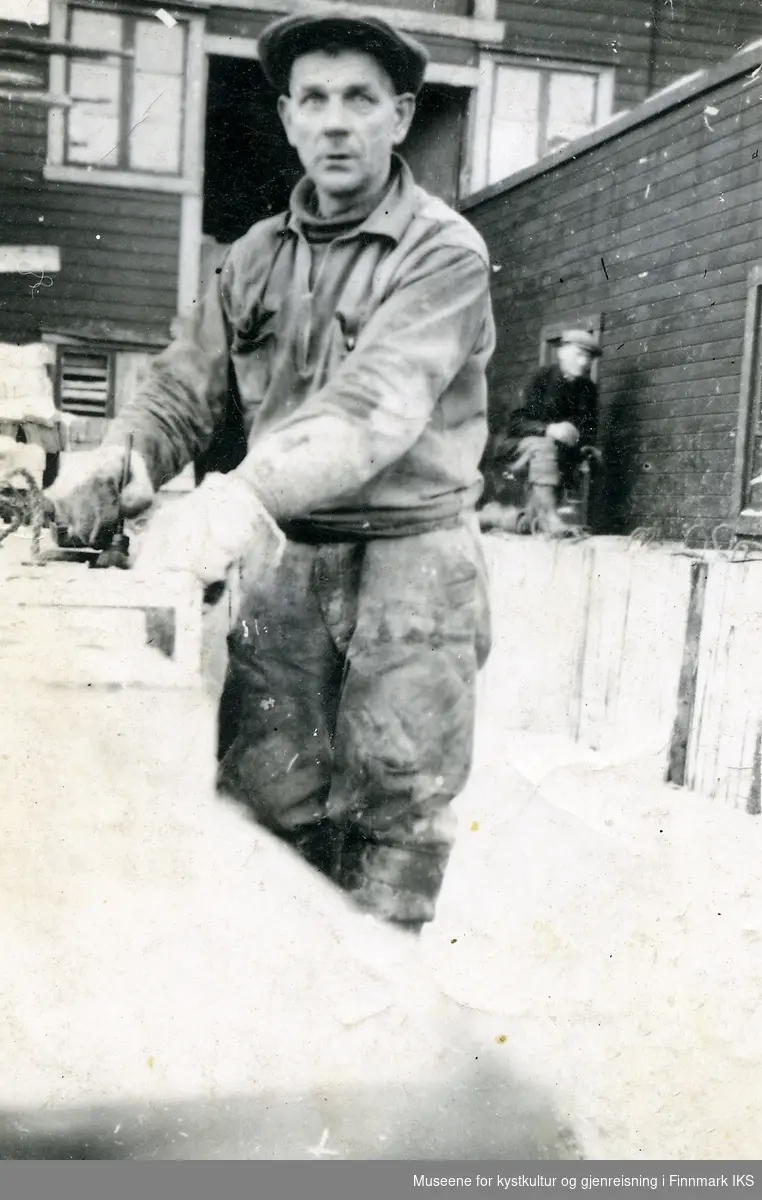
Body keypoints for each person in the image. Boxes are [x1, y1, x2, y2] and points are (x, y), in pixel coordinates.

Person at [44, 11, 496, 934]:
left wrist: (241, 492)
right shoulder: (251, 259)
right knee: (267, 809)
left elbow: (376, 405)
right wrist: (117, 464)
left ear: (401, 116)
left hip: (413, 568)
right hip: (285, 569)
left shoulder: (442, 252)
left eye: (360, 100)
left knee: (395, 821)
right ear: (288, 118)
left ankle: (374, 1049)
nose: (337, 123)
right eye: (315, 100)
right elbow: (181, 390)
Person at [487, 329, 602, 536]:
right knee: (545, 445)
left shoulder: (588, 390)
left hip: (555, 459)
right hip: (515, 447)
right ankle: (549, 517)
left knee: (527, 524)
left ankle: (490, 518)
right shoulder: (539, 378)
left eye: (589, 358)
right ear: (562, 352)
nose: (584, 362)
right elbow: (515, 422)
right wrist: (549, 429)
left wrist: (587, 447)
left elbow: (588, 431)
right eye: (579, 354)